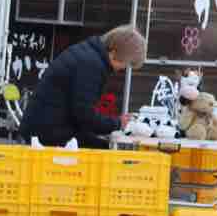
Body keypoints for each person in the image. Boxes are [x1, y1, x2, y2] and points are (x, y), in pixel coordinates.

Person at [19, 24, 147, 148]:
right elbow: (84, 116)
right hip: (46, 133)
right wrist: (118, 123)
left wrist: (113, 124)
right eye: (126, 64)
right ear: (114, 53)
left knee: (100, 144)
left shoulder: (88, 54)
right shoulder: (91, 66)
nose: (122, 69)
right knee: (103, 151)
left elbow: (81, 113)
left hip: (46, 126)